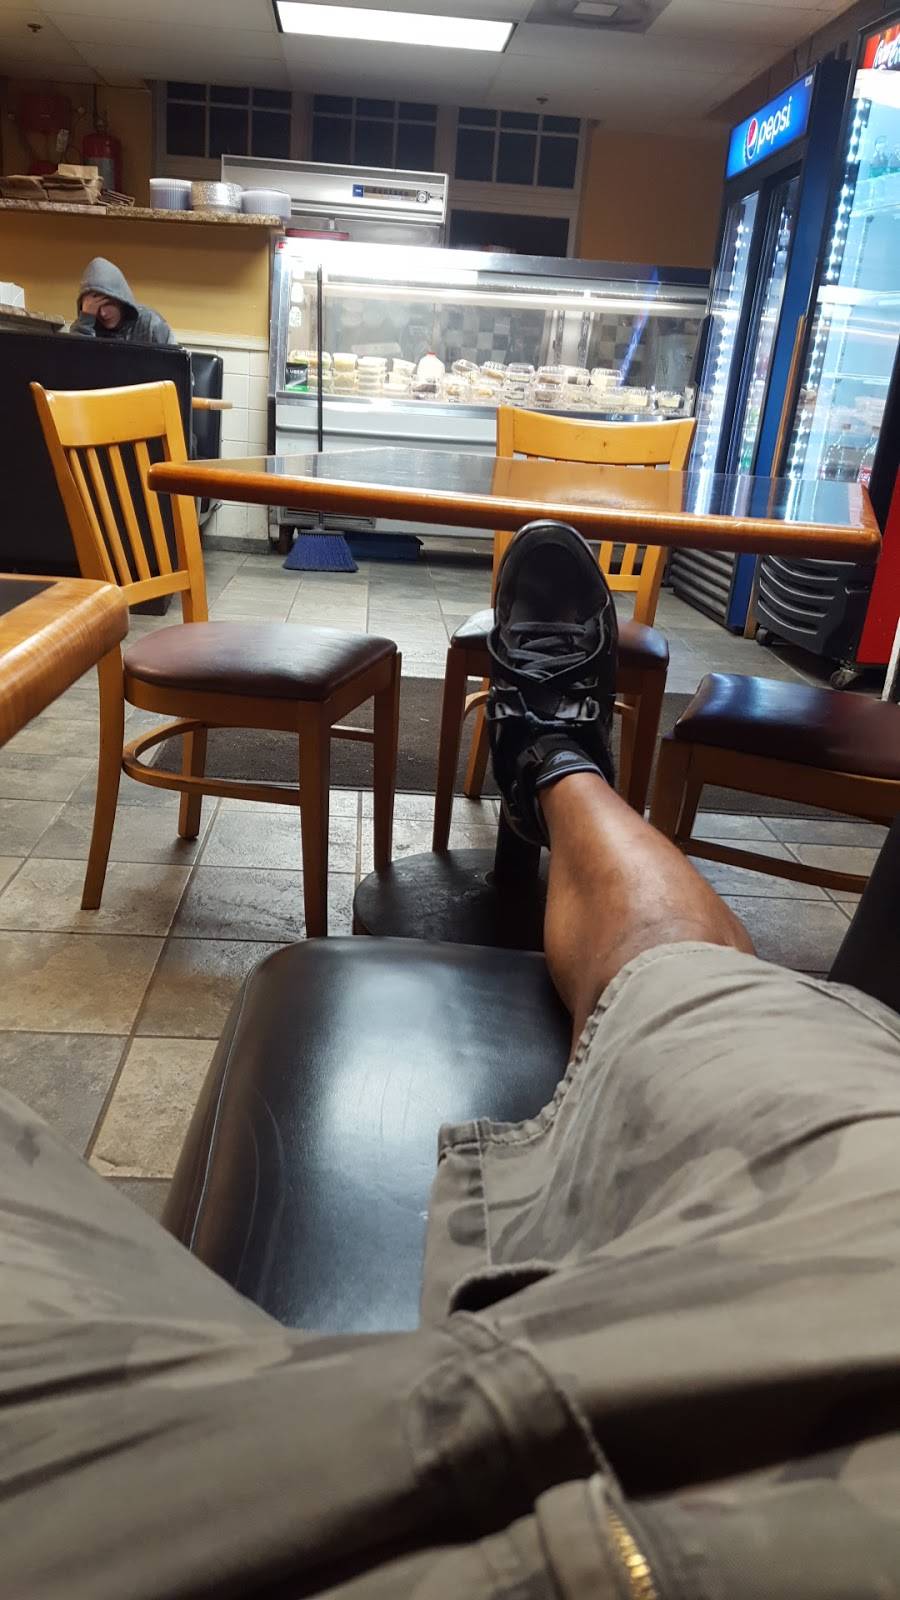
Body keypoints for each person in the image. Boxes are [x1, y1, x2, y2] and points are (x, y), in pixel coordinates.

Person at [3, 521, 900, 1598]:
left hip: (122, 1506)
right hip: (860, 1328)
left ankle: (543, 755)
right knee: (702, 994)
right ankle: (556, 760)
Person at [69, 255, 175, 345]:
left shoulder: (150, 323)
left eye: (108, 304)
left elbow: (173, 361)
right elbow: (74, 361)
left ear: (121, 300)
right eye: (95, 307)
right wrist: (85, 321)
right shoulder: (83, 325)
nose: (103, 314)